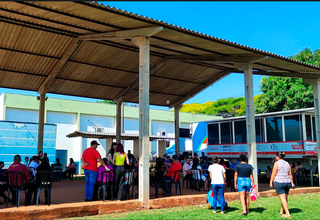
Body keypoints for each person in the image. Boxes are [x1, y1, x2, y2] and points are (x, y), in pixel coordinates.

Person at [270, 152, 294, 218]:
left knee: (282, 198)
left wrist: (271, 181)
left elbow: (274, 173)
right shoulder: (287, 163)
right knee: (285, 197)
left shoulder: (276, 163)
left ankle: (287, 213)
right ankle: (282, 210)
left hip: (279, 182)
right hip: (287, 182)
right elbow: (290, 174)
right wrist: (292, 182)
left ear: (277, 156)